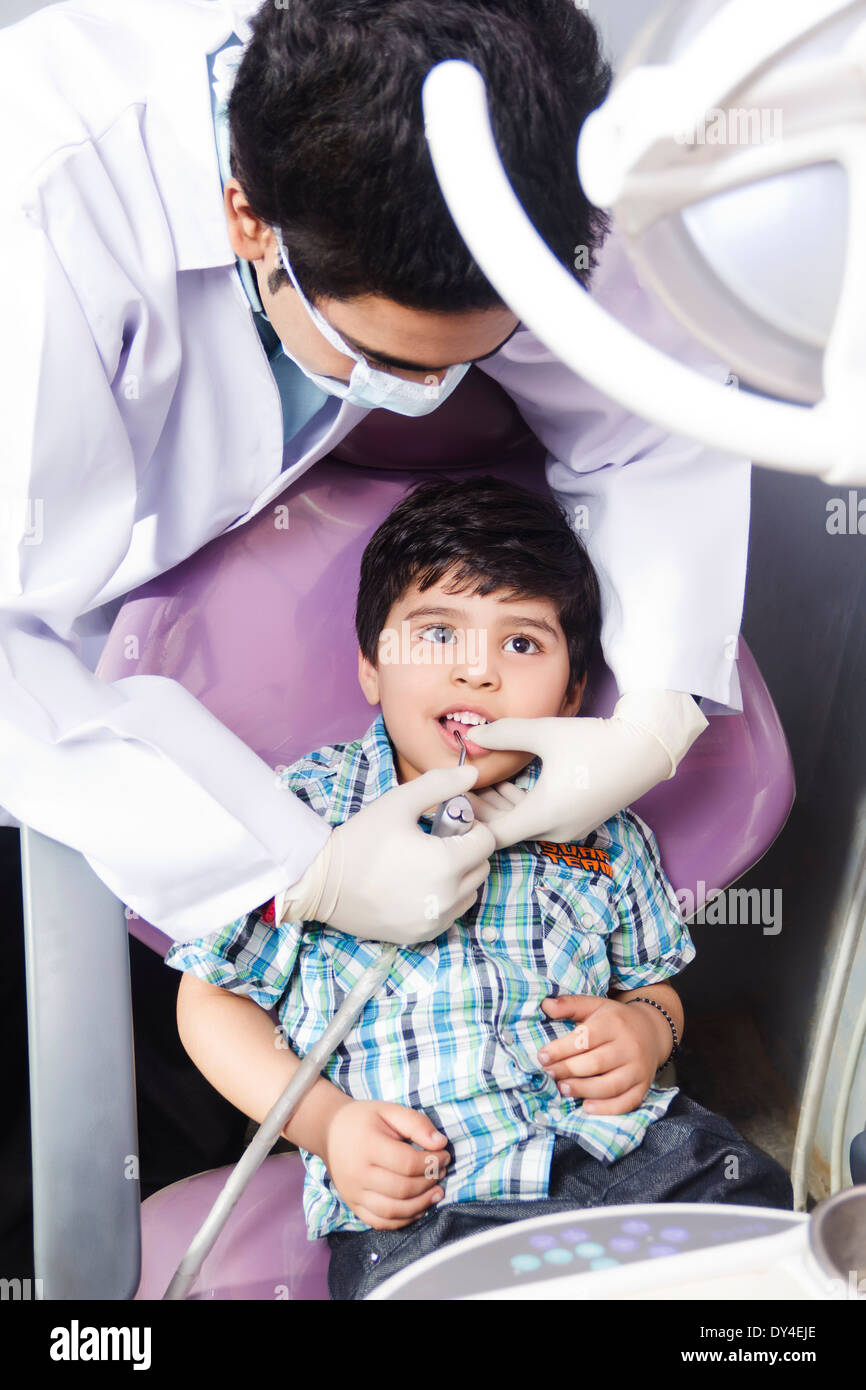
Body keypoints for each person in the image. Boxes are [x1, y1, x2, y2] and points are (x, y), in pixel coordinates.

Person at [0, 0, 747, 947]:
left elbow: (651, 405)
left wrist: (656, 712)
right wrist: (298, 871)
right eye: (388, 362)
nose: (433, 392)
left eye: (474, 354)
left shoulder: (534, 142)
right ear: (248, 218)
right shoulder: (40, 207)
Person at [165, 478, 792, 1302]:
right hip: (434, 1200)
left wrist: (644, 1032)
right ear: (369, 668)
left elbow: (656, 988)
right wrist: (328, 1127)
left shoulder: (606, 829)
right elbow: (211, 1003)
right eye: (435, 635)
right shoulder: (303, 814)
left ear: (574, 693)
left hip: (636, 1159)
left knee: (762, 1237)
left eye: (523, 644)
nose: (478, 671)